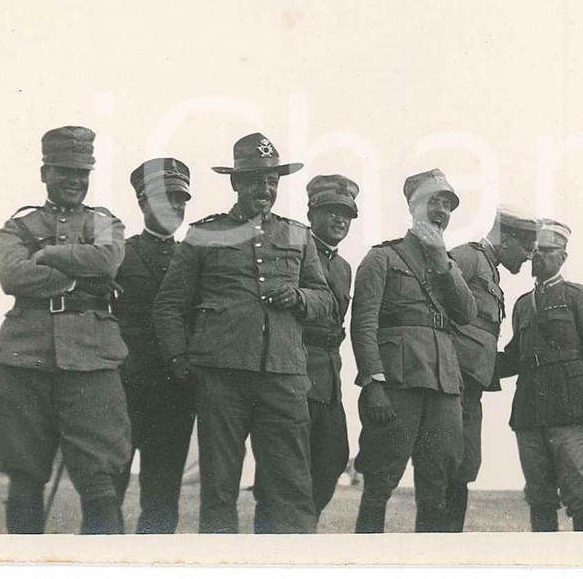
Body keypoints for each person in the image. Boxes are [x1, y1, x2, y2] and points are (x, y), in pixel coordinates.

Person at [152, 133, 334, 534]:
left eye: (271, 181)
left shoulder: (297, 235)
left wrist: (300, 297)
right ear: (236, 183)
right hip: (221, 378)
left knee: (292, 490)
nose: (264, 189)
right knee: (219, 490)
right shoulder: (204, 234)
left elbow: (325, 300)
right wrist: (179, 360)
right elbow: (168, 305)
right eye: (254, 180)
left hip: (284, 378)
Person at [0, 126, 130, 534]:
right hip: (24, 358)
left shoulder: (105, 222)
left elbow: (107, 260)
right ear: (45, 171)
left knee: (100, 476)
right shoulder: (20, 225)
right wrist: (75, 282)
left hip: (93, 361)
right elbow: (12, 276)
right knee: (24, 472)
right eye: (65, 170)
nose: (74, 180)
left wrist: (48, 255)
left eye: (82, 172)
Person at [350, 169, 477, 533]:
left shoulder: (447, 262)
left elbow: (466, 314)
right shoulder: (382, 258)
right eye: (432, 201)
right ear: (412, 206)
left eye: (446, 204)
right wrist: (373, 383)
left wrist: (441, 262)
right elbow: (363, 323)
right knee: (379, 480)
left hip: (443, 387)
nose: (440, 210)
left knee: (437, 483)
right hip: (397, 384)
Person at [496, 220, 583, 532]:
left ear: (563, 256)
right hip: (530, 413)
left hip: (573, 411)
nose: (538, 257)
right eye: (534, 251)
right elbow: (514, 356)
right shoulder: (523, 305)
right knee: (539, 496)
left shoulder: (579, 297)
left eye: (547, 251)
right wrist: (471, 364)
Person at [112, 158, 196, 534]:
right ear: (143, 204)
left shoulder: (193, 258)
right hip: (122, 391)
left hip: (174, 395)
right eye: (166, 200)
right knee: (106, 492)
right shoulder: (118, 254)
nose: (175, 208)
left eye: (181, 201)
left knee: (163, 498)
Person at [445, 207, 538, 531]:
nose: (528, 257)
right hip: (450, 386)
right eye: (526, 247)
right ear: (507, 238)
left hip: (471, 389)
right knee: (446, 469)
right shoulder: (468, 257)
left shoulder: (490, 270)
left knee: (464, 467)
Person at [301, 174, 359, 518]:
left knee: (335, 455)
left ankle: (305, 524)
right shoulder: (294, 252)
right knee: (286, 465)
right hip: (295, 371)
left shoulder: (344, 267)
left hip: (329, 376)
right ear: (312, 214)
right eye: (331, 211)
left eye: (346, 214)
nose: (339, 219)